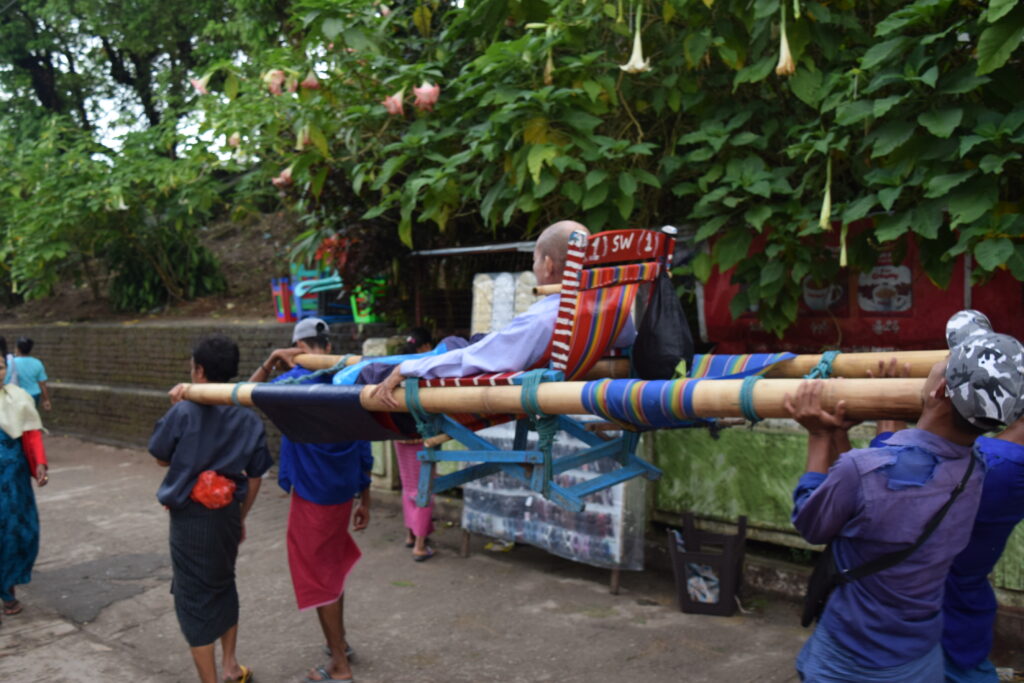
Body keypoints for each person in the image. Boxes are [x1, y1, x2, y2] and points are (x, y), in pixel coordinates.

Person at [784, 310, 1024, 682]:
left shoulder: (866, 470)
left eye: (944, 361)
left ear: (940, 389)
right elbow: (878, 499)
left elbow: (812, 524)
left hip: (849, 661)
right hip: (919, 657)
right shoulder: (975, 470)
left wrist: (818, 438)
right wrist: (845, 438)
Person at [371, 220, 625, 408]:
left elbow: (478, 358)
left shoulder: (545, 319)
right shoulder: (612, 305)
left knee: (370, 373)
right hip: (539, 358)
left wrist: (408, 367)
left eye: (535, 260)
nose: (534, 266)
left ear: (547, 265)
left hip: (488, 363)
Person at [250, 317, 371, 683]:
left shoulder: (292, 386)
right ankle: (341, 644)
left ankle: (338, 664)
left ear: (297, 349)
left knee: (320, 578)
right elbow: (366, 444)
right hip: (342, 496)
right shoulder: (348, 380)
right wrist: (365, 498)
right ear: (328, 347)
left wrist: (272, 361)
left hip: (313, 499)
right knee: (331, 570)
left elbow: (242, 393)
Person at [151, 335, 272, 683]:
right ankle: (231, 666)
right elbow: (255, 476)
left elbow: (161, 456)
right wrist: (240, 516)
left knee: (193, 597)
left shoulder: (185, 409)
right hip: (228, 515)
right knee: (222, 583)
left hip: (191, 518)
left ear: (199, 370)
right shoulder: (248, 419)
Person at [941, 312, 1024, 683]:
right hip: (969, 612)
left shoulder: (989, 463)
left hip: (929, 621)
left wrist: (892, 413)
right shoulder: (1006, 463)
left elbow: (893, 454)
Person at [0, 354, 47, 622]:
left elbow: (31, 434)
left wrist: (39, 463)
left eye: (0, 366)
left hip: (13, 478)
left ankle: (7, 588)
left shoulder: (18, 398)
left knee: (16, 533)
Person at [393, 328, 437, 560]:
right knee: (424, 490)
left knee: (408, 487)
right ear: (425, 347)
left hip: (399, 437)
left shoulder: (396, 366)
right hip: (421, 438)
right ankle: (420, 546)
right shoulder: (425, 368)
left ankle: (411, 535)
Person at [12, 337, 50, 412]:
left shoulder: (11, 363)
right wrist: (46, 400)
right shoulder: (37, 363)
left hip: (18, 396)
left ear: (18, 349)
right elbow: (42, 384)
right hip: (34, 395)